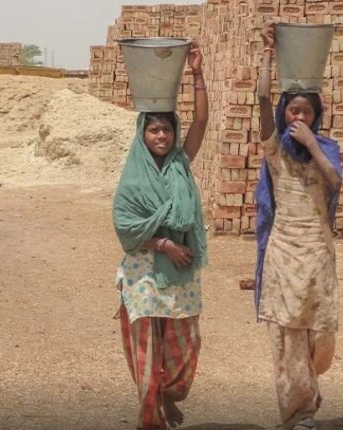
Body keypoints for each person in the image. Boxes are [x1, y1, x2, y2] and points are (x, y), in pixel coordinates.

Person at [112, 40, 208, 430]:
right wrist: (163, 243)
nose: (162, 137)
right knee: (147, 355)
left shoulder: (181, 164)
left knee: (184, 354)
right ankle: (150, 418)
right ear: (143, 134)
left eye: (167, 129)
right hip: (143, 276)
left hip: (180, 277)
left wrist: (198, 75)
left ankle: (170, 395)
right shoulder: (133, 176)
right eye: (154, 130)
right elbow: (124, 223)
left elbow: (201, 123)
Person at [255, 22, 343, 430]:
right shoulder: (274, 151)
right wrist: (268, 56)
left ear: (316, 115)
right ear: (283, 113)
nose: (298, 116)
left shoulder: (325, 149)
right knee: (287, 336)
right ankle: (299, 412)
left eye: (306, 111)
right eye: (293, 110)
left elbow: (335, 180)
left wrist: (310, 142)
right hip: (284, 252)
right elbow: (260, 96)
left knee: (321, 337)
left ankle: (309, 387)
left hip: (318, 251)